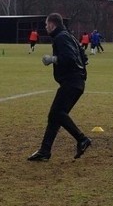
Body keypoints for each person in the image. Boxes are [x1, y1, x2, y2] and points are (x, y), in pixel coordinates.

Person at [28, 13, 91, 161]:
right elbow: (84, 57)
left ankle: (82, 139)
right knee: (55, 116)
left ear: (52, 25)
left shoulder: (61, 37)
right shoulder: (69, 36)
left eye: (46, 24)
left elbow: (69, 58)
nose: (45, 27)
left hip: (72, 82)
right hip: (77, 82)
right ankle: (44, 151)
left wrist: (52, 59)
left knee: (57, 113)